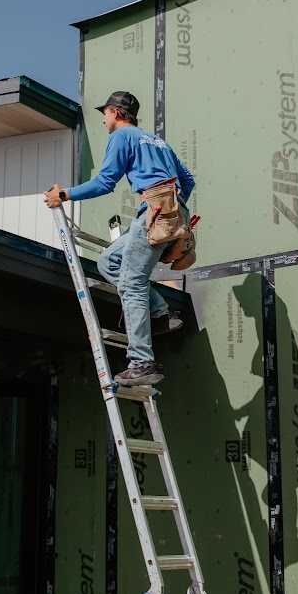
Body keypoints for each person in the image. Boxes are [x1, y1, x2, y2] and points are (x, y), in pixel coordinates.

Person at [44, 91, 195, 386]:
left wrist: (63, 195)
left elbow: (104, 182)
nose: (103, 119)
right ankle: (161, 314)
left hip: (153, 214)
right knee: (109, 261)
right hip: (166, 213)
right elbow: (187, 181)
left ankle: (142, 363)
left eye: (105, 113)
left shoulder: (122, 137)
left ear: (115, 112)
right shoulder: (157, 141)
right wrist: (176, 208)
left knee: (132, 283)